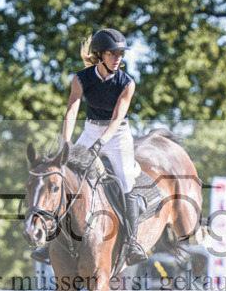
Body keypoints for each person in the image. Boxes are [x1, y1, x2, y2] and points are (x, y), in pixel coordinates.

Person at [33, 28, 146, 265]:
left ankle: (133, 242)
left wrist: (101, 144)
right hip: (90, 129)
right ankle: (51, 240)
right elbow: (72, 109)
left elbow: (117, 118)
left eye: (120, 54)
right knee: (64, 175)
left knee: (125, 179)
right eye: (113, 54)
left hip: (117, 135)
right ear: (100, 55)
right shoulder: (82, 78)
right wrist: (66, 142)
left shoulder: (127, 83)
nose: (118, 59)